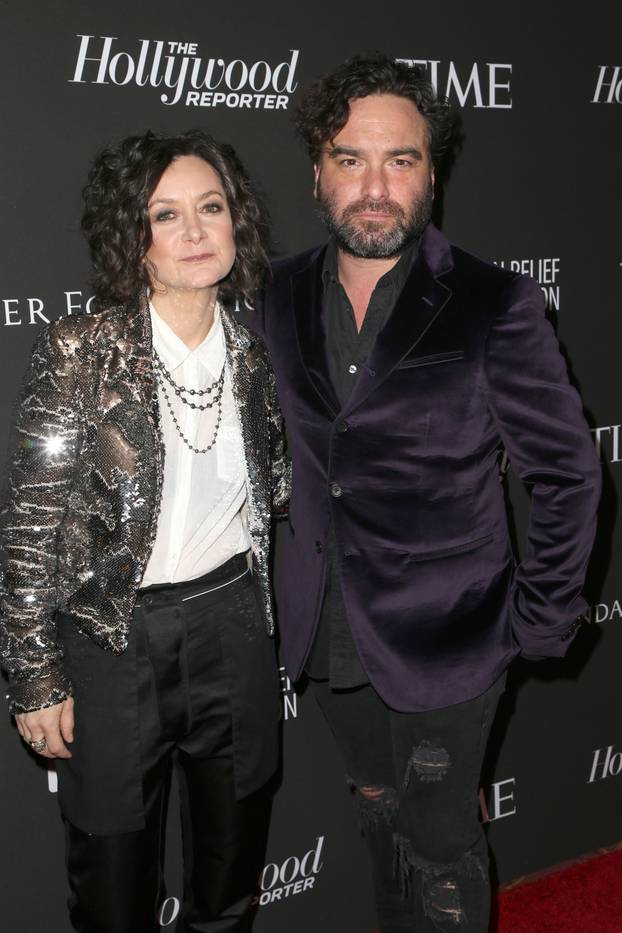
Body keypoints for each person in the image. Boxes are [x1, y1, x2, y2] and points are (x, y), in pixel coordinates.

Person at [250, 55, 601, 932]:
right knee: (374, 800)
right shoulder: (272, 292)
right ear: (317, 172)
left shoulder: (495, 302)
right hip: (325, 629)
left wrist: (540, 616)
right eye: (349, 159)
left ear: (431, 174)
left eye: (399, 160)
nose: (374, 186)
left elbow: (567, 471)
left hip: (452, 633)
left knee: (443, 834)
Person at [0, 128, 289, 933]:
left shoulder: (257, 353)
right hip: (113, 643)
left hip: (233, 627)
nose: (195, 232)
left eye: (211, 208)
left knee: (230, 882)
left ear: (238, 223)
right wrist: (34, 675)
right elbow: (31, 526)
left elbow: (277, 488)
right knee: (113, 895)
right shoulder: (76, 352)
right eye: (166, 215)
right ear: (133, 237)